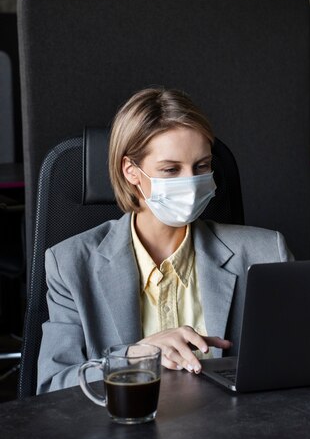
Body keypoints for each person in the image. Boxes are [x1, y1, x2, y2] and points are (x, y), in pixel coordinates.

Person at [37, 87, 293, 393]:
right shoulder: (69, 264)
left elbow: (298, 366)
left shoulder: (265, 252)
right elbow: (52, 386)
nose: (191, 182)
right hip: (123, 432)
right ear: (131, 171)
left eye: (201, 166)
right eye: (171, 169)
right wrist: (135, 356)